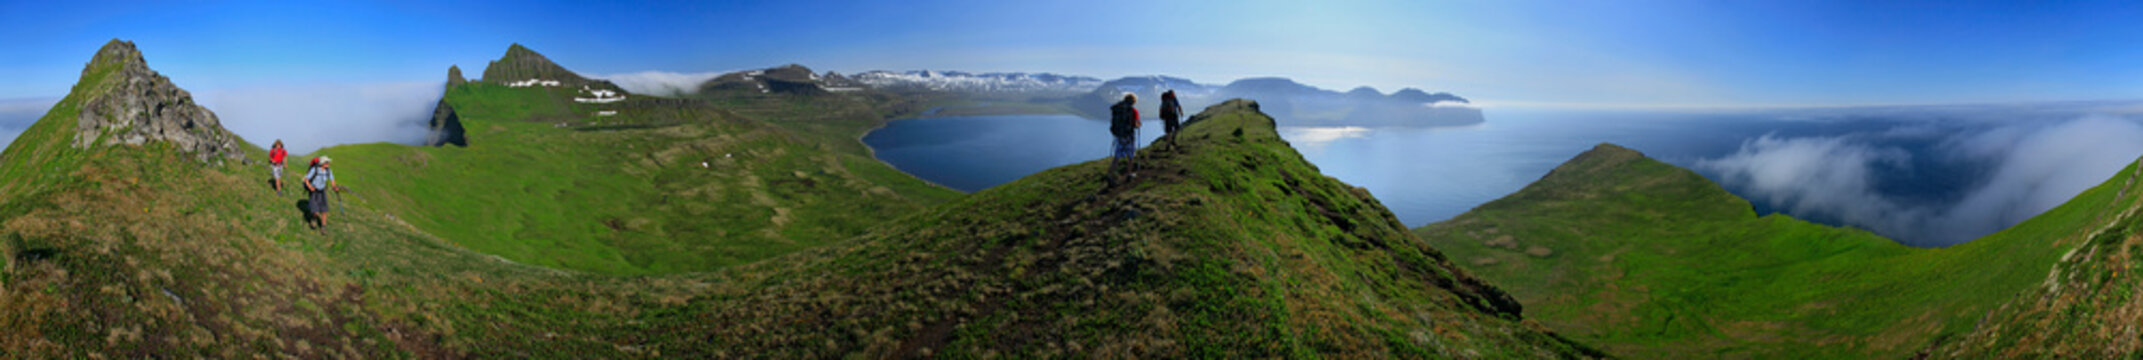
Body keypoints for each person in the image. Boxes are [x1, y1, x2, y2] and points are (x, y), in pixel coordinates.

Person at [1108, 93, 1140, 180]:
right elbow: (1135, 124)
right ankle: (1129, 174)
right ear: (1133, 101)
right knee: (1130, 156)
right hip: (1129, 136)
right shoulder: (1133, 110)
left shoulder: (1118, 108)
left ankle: (1110, 175)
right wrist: (1138, 125)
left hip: (1119, 135)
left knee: (1117, 157)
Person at [304, 156, 338, 232]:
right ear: (322, 163)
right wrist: (310, 187)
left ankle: (323, 227)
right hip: (314, 191)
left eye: (328, 162)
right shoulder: (315, 170)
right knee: (315, 211)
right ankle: (314, 219)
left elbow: (332, 179)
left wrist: (334, 187)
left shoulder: (328, 171)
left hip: (322, 191)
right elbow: (306, 179)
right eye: (326, 162)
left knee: (324, 210)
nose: (328, 163)